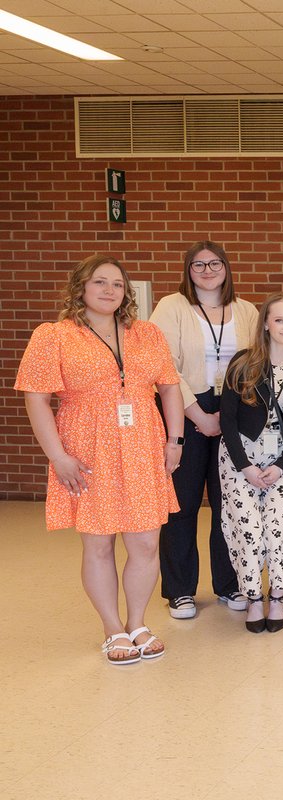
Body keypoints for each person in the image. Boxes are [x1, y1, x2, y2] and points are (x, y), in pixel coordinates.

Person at [17, 255, 184, 665]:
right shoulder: (53, 335)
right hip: (87, 447)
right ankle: (113, 628)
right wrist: (58, 456)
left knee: (145, 541)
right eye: (100, 282)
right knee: (99, 542)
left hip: (144, 442)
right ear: (81, 288)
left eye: (117, 284)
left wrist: (175, 440)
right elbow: (35, 399)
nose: (110, 290)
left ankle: (139, 623)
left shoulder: (147, 333)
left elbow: (170, 389)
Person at [149, 241, 257, 619]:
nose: (207, 270)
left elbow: (257, 362)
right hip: (185, 409)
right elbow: (165, 366)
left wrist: (228, 416)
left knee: (230, 506)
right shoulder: (170, 306)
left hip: (235, 411)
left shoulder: (246, 310)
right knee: (183, 504)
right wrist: (198, 416)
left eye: (215, 263)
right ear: (188, 269)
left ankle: (229, 584)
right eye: (198, 264)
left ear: (227, 267)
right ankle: (180, 590)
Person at [218, 293, 283, 633]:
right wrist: (244, 465)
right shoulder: (244, 363)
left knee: (278, 527)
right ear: (265, 324)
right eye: (279, 320)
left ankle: (276, 595)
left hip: (281, 459)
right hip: (240, 456)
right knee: (247, 527)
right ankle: (253, 596)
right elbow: (227, 420)